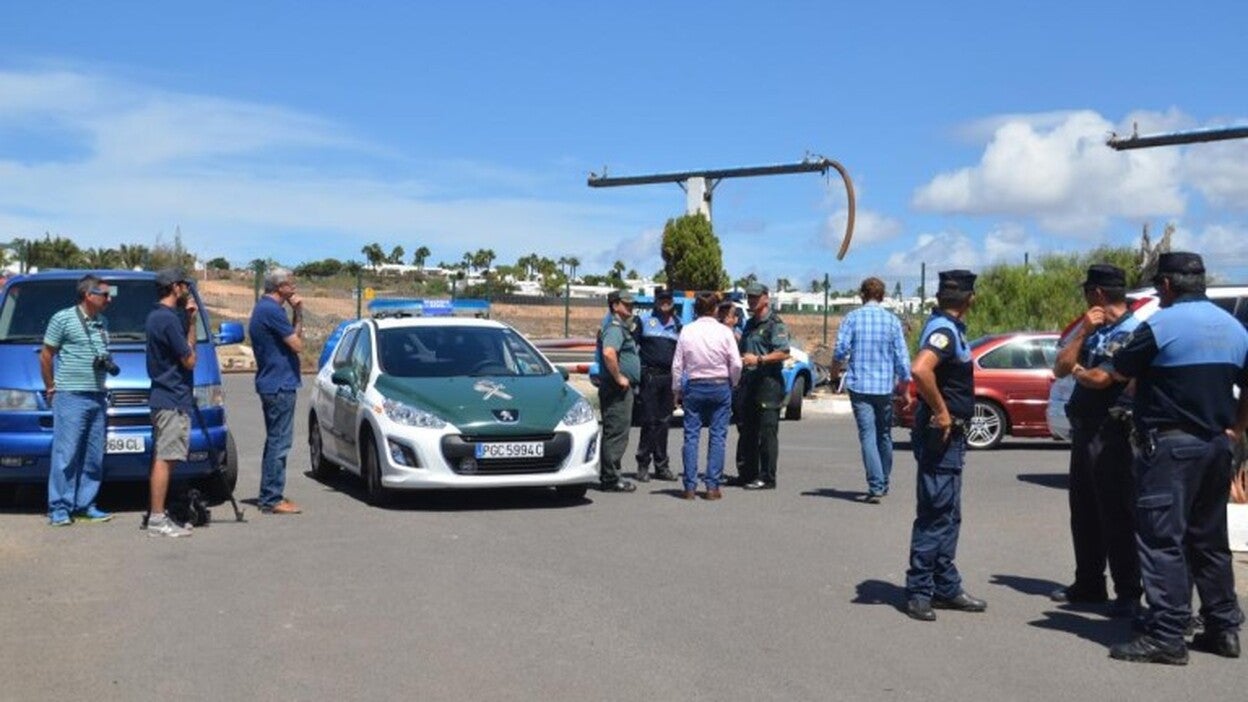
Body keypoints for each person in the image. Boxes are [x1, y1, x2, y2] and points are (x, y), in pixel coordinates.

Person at [1108, 252, 1247, 664]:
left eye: (1157, 288)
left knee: (1161, 540)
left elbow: (1119, 370)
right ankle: (1224, 629)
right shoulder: (1235, 328)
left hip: (1171, 448)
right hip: (1217, 446)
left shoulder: (1160, 325)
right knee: (1209, 541)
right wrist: (1237, 430)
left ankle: (1168, 633)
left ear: (1167, 286)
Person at [1050, 264, 1142, 615]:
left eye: (1087, 291)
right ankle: (1089, 582)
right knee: (1084, 510)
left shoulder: (1132, 331)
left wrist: (1076, 369)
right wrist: (1083, 332)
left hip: (1114, 430)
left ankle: (1129, 591)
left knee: (1117, 512)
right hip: (1086, 428)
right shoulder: (1092, 329)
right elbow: (1060, 366)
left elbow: (1098, 378)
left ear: (1098, 294)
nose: (1086, 296)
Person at [904, 269, 987, 622]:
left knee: (948, 513)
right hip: (943, 434)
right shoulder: (944, 332)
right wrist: (940, 411)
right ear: (970, 299)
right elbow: (921, 369)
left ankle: (944, 585)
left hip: (949, 434)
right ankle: (921, 590)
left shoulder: (948, 329)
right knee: (937, 512)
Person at [40, 274, 115, 526]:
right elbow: (47, 355)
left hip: (97, 395)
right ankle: (59, 508)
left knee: (93, 455)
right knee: (66, 454)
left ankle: (85, 504)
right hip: (71, 395)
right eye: (104, 294)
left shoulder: (102, 322)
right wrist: (51, 386)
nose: (109, 298)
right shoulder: (62, 318)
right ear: (88, 295)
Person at [832, 276, 912, 503]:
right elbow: (902, 358)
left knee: (867, 434)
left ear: (862, 295)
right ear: (882, 296)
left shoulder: (852, 318)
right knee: (884, 434)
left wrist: (835, 372)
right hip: (885, 385)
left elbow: (840, 350)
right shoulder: (892, 321)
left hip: (860, 385)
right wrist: (905, 386)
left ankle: (876, 484)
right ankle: (883, 480)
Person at [143, 269, 199, 538]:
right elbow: (189, 359)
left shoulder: (155, 316)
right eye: (185, 285)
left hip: (163, 397)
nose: (187, 289)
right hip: (172, 398)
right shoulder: (167, 320)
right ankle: (156, 519)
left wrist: (187, 320)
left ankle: (158, 514)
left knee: (164, 457)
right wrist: (192, 324)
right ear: (175, 287)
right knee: (165, 459)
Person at [671, 292, 742, 500]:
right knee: (718, 436)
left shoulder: (687, 330)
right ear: (715, 309)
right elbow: (736, 363)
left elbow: (677, 365)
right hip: (720, 384)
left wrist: (676, 390)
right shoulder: (725, 332)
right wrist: (733, 382)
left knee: (691, 436)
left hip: (695, 385)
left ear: (696, 309)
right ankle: (712, 486)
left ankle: (690, 487)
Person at [248, 268, 304, 514]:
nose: (294, 287)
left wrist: (297, 314)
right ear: (280, 286)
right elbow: (297, 344)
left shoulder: (267, 310)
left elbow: (292, 340)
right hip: (279, 384)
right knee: (279, 442)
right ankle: (271, 498)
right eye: (291, 284)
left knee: (276, 440)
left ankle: (271, 493)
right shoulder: (271, 311)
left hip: (275, 383)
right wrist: (299, 313)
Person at [735, 283, 790, 490]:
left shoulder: (775, 324)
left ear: (766, 298)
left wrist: (759, 360)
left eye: (756, 297)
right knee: (748, 430)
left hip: (768, 382)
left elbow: (784, 352)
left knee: (767, 432)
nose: (752, 300)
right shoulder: (749, 324)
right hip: (749, 382)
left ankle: (767, 477)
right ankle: (748, 473)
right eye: (749, 297)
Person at [596, 290, 641, 493]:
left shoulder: (619, 326)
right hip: (617, 388)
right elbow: (609, 352)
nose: (630, 307)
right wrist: (619, 377)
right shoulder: (615, 328)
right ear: (614, 305)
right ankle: (611, 477)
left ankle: (612, 473)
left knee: (615, 431)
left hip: (618, 387)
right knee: (616, 432)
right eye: (626, 304)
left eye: (631, 304)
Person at [634, 289, 681, 482]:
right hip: (650, 377)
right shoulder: (643, 321)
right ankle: (643, 465)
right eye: (661, 300)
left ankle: (662, 466)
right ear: (655, 301)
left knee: (664, 422)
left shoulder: (678, 325)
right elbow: (633, 349)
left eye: (668, 300)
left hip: (668, 378)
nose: (665, 303)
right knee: (649, 421)